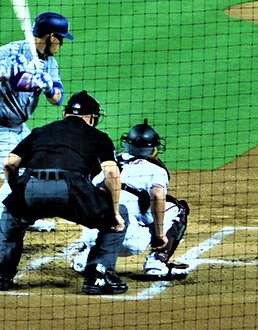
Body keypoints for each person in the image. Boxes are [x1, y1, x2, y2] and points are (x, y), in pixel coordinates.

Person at [0, 90, 130, 295]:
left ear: (66, 114)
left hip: (33, 186)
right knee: (118, 218)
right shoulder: (99, 136)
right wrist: (115, 213)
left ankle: (2, 275)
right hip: (72, 191)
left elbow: (9, 163)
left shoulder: (41, 131)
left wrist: (18, 192)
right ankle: (98, 276)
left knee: (12, 216)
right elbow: (111, 172)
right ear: (92, 118)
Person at [0, 11, 73, 252]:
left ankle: (25, 215)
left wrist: (46, 86)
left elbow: (58, 99)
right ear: (50, 37)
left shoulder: (49, 63)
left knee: (42, 167)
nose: (63, 43)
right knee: (20, 172)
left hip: (17, 128)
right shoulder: (12, 51)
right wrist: (13, 72)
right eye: (61, 38)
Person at [71, 119, 191, 279]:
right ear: (154, 149)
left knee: (103, 204)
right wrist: (160, 234)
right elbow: (157, 195)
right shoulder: (155, 169)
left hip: (95, 237)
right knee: (178, 208)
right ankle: (157, 262)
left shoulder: (109, 161)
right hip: (129, 242)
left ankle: (86, 255)